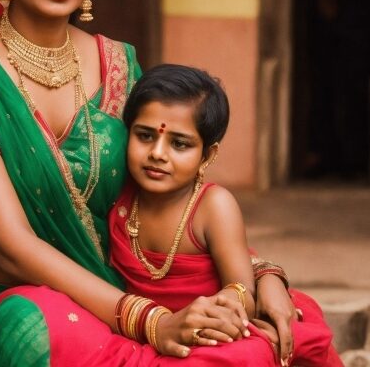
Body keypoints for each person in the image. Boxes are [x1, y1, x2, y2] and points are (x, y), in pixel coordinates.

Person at [0, 0, 309, 365]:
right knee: (27, 326)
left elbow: (166, 200)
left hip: (114, 300)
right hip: (12, 315)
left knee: (270, 336)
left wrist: (260, 277)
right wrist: (151, 321)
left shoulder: (118, 64)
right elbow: (11, 245)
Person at [107, 64, 342, 366]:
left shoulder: (212, 206)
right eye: (145, 136)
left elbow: (241, 288)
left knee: (249, 352)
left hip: (211, 330)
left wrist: (223, 308)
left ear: (207, 155)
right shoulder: (117, 195)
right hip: (146, 330)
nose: (158, 153)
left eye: (179, 144)